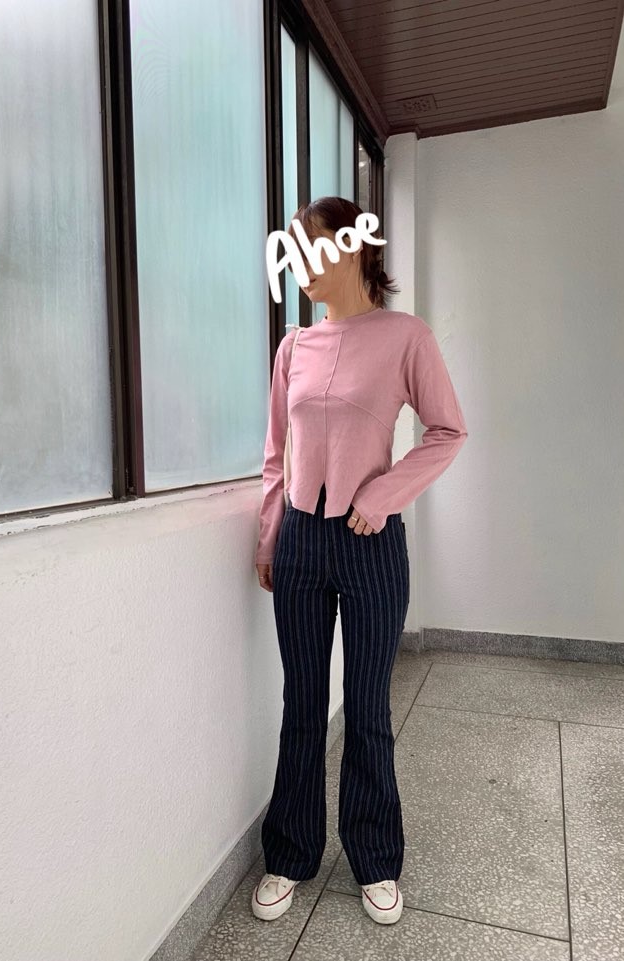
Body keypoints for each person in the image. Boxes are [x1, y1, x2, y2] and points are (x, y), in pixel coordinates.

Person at [251, 196, 468, 925]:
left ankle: (375, 858)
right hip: (301, 543)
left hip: (371, 541)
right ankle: (289, 852)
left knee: (368, 705)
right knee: (302, 704)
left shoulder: (406, 336)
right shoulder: (293, 348)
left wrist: (382, 492)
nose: (300, 266)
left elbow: (447, 431)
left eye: (310, 247)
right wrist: (269, 535)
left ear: (352, 248)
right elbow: (276, 453)